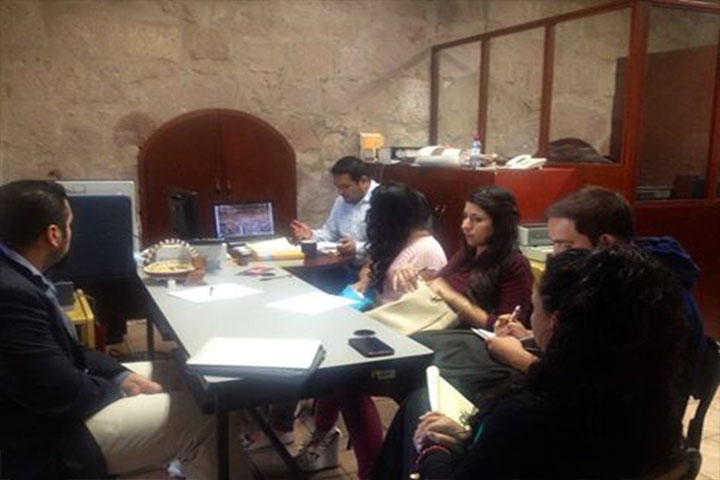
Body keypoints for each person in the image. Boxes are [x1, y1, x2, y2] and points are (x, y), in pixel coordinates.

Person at [0, 180, 248, 480]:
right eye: (70, 225)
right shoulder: (11, 293)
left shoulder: (19, 272)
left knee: (187, 374)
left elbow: (72, 352)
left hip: (53, 401)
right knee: (208, 416)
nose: (72, 233)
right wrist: (121, 390)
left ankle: (188, 464)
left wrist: (120, 374)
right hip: (46, 436)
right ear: (54, 235)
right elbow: (56, 389)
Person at [411, 245, 687, 478]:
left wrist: (433, 450)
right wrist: (469, 438)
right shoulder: (659, 412)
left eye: (534, 307)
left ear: (555, 323)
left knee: (418, 409)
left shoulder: (527, 417)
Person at [295, 182, 448, 480]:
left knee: (345, 378)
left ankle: (371, 471)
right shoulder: (400, 240)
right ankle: (324, 437)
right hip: (381, 329)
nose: (370, 222)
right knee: (334, 366)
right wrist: (365, 278)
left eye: (374, 215)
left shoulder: (427, 249)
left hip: (405, 342)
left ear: (389, 216)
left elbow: (416, 309)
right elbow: (373, 269)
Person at [290, 155, 378, 257]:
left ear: (364, 181)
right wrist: (311, 235)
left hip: (373, 263)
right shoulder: (341, 200)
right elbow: (331, 233)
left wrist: (357, 248)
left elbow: (389, 245)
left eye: (345, 187)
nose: (341, 192)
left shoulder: (384, 198)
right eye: (338, 187)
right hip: (344, 261)